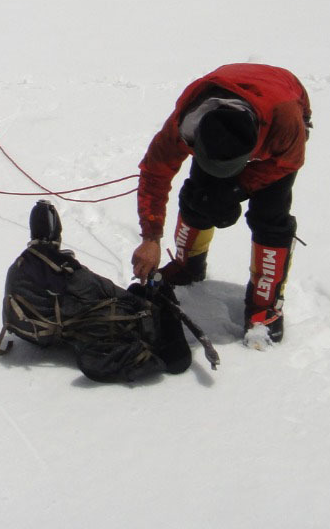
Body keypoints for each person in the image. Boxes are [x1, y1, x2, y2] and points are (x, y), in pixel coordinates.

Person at [130, 63, 311, 347]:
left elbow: (289, 161)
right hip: (236, 108)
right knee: (197, 199)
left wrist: (239, 188)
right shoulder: (184, 124)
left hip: (276, 117)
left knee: (270, 218)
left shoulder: (285, 121)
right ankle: (188, 265)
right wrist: (150, 236)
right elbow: (155, 171)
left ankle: (265, 306)